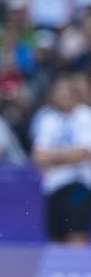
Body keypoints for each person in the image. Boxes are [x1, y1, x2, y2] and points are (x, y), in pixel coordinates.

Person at [31, 74, 91, 245]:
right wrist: (68, 155)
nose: (63, 96)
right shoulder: (47, 118)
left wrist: (51, 157)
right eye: (59, 92)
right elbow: (37, 155)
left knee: (76, 234)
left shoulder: (85, 116)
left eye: (67, 92)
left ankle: (76, 272)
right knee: (56, 238)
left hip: (79, 183)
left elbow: (82, 153)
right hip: (53, 185)